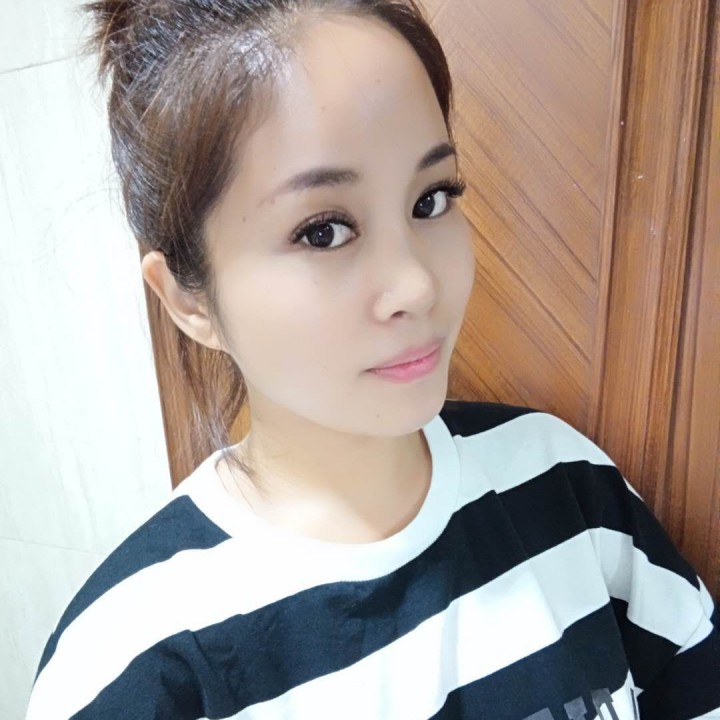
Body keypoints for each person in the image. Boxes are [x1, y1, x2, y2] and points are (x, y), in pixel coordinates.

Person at [26, 1, 719, 718]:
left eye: (431, 199)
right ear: (188, 299)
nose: (418, 286)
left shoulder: (565, 485)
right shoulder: (129, 664)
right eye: (323, 231)